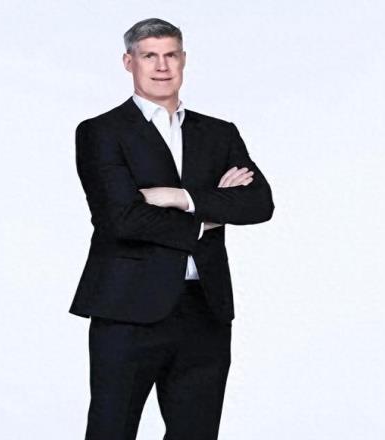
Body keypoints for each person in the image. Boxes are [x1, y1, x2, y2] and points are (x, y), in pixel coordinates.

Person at [69, 17, 274, 440]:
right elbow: (120, 219)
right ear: (129, 62)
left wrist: (178, 196)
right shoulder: (101, 132)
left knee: (197, 434)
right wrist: (209, 215)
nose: (161, 66)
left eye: (170, 55)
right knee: (111, 431)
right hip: (127, 309)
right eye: (149, 56)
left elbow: (258, 203)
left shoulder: (218, 133)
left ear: (183, 60)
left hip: (205, 308)